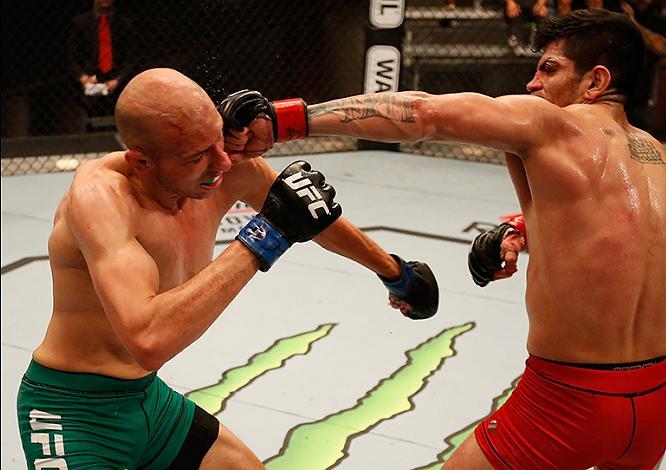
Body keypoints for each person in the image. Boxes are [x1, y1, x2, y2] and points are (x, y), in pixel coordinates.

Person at [222, 9, 666, 469]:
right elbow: (621, 238)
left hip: (569, 400)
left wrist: (283, 121)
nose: (533, 84)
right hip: (654, 403)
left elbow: (422, 114)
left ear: (595, 81)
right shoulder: (653, 155)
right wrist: (521, 231)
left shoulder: (552, 123)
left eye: (549, 68)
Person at [15, 68, 439, 469]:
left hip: (147, 401)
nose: (222, 163)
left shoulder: (221, 169)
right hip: (70, 413)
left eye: (219, 141)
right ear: (141, 162)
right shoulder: (102, 200)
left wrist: (394, 273)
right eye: (199, 155)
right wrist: (264, 237)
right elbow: (148, 338)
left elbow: (306, 211)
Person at [68, 0, 135, 130]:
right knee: (92, 122)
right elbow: (71, 57)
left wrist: (118, 80)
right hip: (90, 79)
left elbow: (131, 58)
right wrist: (83, 78)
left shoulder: (125, 24)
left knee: (119, 121)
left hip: (117, 79)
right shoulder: (80, 23)